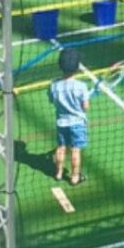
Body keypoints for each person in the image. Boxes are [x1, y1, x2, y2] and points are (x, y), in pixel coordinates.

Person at [48, 47, 90, 186]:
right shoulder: (81, 86)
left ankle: (59, 173)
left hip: (61, 122)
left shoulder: (54, 85)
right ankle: (74, 177)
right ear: (77, 67)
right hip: (77, 123)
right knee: (75, 150)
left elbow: (51, 100)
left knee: (61, 147)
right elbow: (85, 107)